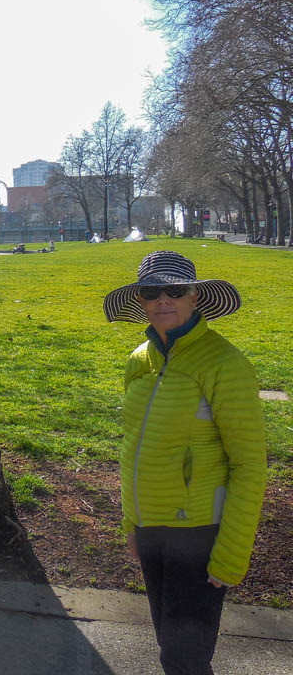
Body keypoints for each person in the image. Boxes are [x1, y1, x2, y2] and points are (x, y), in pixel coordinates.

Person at [103, 250, 266, 675]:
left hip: (199, 536)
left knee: (185, 659)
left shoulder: (224, 364)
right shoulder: (139, 360)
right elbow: (132, 449)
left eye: (175, 290)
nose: (163, 300)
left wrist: (230, 556)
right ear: (140, 300)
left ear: (196, 297)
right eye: (151, 291)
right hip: (151, 529)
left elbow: (249, 466)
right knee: (170, 650)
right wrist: (131, 524)